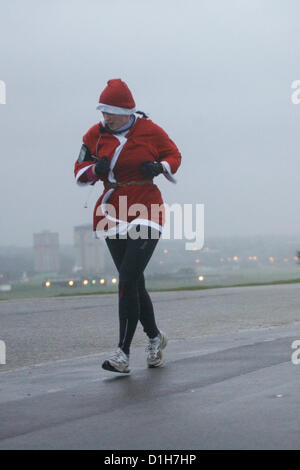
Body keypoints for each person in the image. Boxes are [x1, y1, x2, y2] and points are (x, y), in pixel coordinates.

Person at [74, 79, 181, 373]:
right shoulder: (94, 135)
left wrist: (160, 167)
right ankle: (156, 338)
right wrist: (95, 169)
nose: (105, 117)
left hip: (147, 207)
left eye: (111, 111)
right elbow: (79, 170)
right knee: (133, 280)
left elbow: (175, 156)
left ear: (127, 111)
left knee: (127, 278)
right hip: (112, 209)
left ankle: (122, 353)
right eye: (102, 111)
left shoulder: (151, 130)